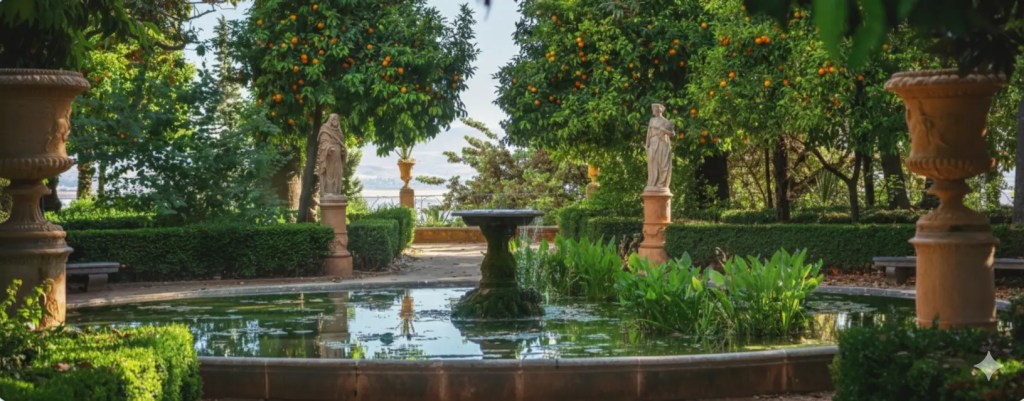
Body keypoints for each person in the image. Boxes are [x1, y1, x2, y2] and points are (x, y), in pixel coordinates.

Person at [645, 103, 675, 190]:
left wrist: (664, 130)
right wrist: (647, 144)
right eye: (653, 109)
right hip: (653, 142)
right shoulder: (652, 120)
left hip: (662, 143)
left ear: (659, 110)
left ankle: (661, 183)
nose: (654, 110)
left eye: (655, 109)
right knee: (652, 162)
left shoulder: (666, 121)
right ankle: (652, 183)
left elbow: (672, 134)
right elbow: (649, 133)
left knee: (662, 163)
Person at [317, 113, 345, 197]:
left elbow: (341, 143)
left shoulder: (339, 131)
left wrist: (342, 151)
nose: (335, 121)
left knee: (338, 172)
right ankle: (328, 192)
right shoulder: (325, 129)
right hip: (329, 156)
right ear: (330, 120)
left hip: (338, 156)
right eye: (333, 119)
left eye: (337, 119)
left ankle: (337, 192)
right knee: (330, 173)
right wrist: (329, 148)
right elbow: (323, 142)